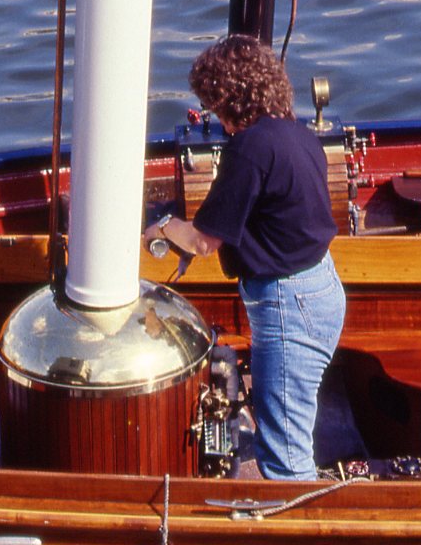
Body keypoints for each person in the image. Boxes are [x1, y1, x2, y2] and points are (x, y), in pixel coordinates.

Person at [143, 35, 345, 480]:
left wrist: (160, 228)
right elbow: (265, 215)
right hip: (321, 289)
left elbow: (201, 241)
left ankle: (291, 534)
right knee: (289, 414)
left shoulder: (250, 148)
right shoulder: (296, 134)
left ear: (227, 98)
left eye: (212, 105)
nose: (214, 116)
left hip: (289, 307)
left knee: (286, 459)